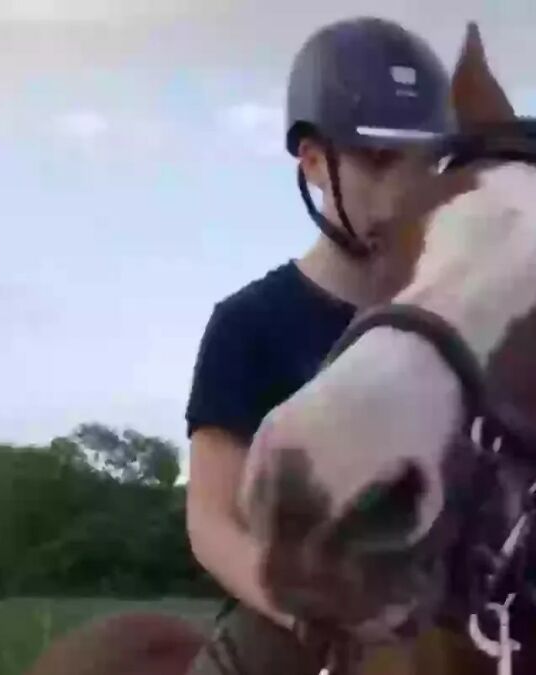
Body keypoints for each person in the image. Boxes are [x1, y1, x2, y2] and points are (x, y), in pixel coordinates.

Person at [183, 16, 456, 675]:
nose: (406, 189)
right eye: (380, 160)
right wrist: (312, 614)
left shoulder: (458, 323)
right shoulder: (250, 324)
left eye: (428, 163)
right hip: (293, 632)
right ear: (312, 161)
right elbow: (212, 522)